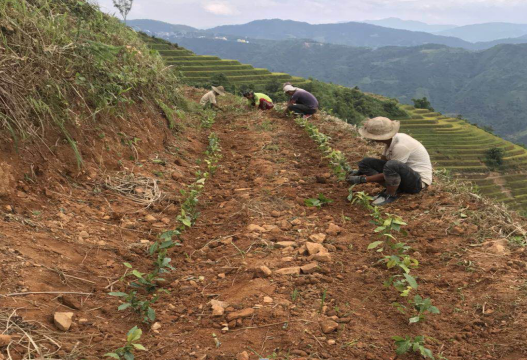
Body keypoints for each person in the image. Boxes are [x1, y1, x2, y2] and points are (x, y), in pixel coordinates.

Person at [346, 117, 433, 206]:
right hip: (403, 174)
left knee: (392, 165)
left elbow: (390, 169)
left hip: (416, 183)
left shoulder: (401, 146)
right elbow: (383, 161)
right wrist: (362, 171)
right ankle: (394, 187)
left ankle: (390, 194)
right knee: (365, 162)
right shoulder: (391, 141)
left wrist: (363, 179)